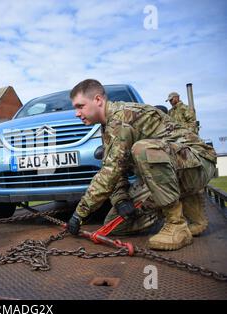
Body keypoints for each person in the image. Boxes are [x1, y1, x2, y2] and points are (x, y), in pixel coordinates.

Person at [67, 79, 216, 251]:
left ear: (98, 100)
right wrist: (121, 200)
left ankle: (177, 225)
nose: (77, 113)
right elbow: (114, 169)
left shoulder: (121, 119)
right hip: (179, 168)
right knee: (116, 226)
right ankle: (191, 205)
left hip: (199, 163)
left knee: (143, 150)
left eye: (80, 106)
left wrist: (79, 214)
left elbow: (110, 173)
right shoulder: (107, 126)